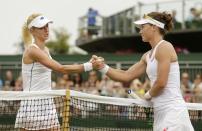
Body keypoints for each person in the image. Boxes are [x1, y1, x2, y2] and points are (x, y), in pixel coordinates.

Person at [92, 12, 194, 131]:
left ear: (154, 27)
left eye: (143, 27)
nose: (140, 31)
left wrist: (148, 95)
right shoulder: (147, 56)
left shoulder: (165, 47)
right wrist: (102, 67)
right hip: (160, 114)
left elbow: (161, 83)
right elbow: (126, 75)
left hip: (173, 113)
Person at [15, 13, 95, 131]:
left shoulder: (46, 50)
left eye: (47, 26)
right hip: (32, 104)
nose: (46, 30)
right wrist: (89, 66)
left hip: (48, 103)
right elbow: (61, 69)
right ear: (32, 30)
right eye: (42, 27)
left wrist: (89, 64)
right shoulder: (32, 51)